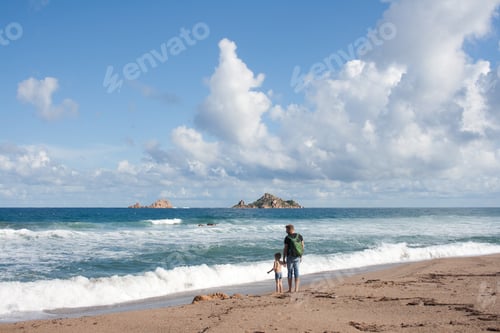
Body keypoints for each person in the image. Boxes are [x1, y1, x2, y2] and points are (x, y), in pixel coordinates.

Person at [283, 224, 304, 292]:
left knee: (290, 273)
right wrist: (301, 255)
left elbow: (285, 249)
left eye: (286, 229)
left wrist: (283, 258)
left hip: (290, 257)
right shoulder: (299, 236)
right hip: (297, 256)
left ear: (289, 229)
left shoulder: (287, 238)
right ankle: (296, 289)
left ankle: (290, 289)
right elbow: (302, 246)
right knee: (297, 272)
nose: (286, 231)